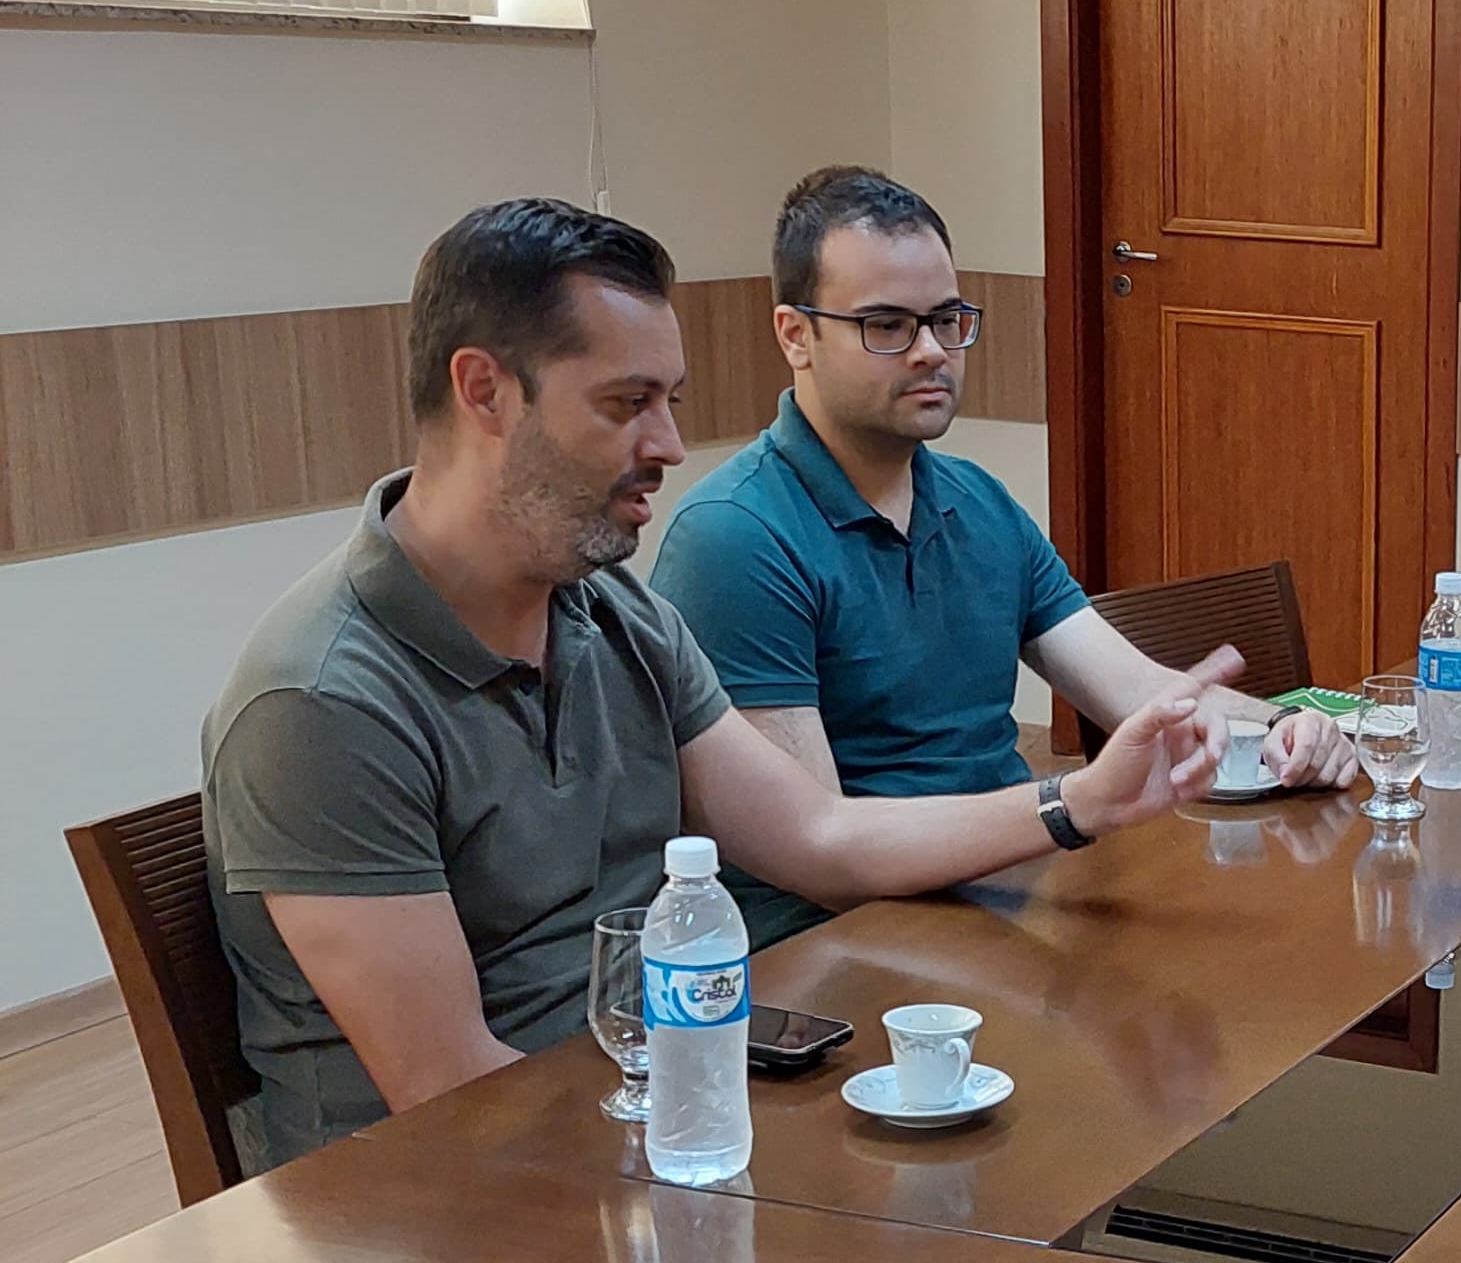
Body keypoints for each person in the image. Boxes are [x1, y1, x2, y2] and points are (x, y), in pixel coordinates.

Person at [204, 197, 1221, 1168]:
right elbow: (454, 1097)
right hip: (444, 1234)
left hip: (639, 1127)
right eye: (625, 404)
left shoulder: (610, 614)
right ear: (484, 392)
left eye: (669, 401)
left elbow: (819, 841)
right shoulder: (322, 704)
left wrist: (1077, 801)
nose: (669, 446)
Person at [650, 166, 1352, 940]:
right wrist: (1067, 805)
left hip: (1012, 896)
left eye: (946, 318)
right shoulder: (735, 535)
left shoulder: (976, 500)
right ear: (796, 334)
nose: (930, 351)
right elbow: (828, 862)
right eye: (887, 325)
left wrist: (1284, 730)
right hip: (844, 943)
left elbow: (1138, 689)